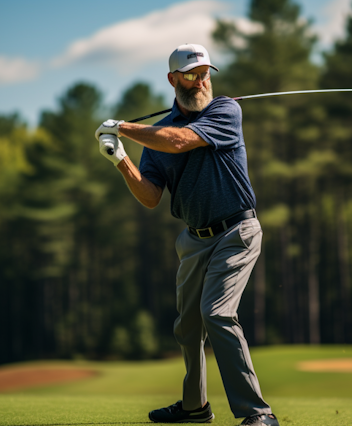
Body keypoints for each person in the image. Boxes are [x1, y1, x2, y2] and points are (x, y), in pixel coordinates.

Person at [95, 43, 279, 426]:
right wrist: (120, 158)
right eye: (191, 75)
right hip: (194, 240)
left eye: (205, 73)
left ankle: (258, 413)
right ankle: (195, 406)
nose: (199, 82)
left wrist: (124, 128)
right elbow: (150, 196)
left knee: (217, 313)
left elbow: (181, 140)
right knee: (187, 326)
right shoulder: (157, 135)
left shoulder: (225, 110)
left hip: (236, 231)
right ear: (173, 80)